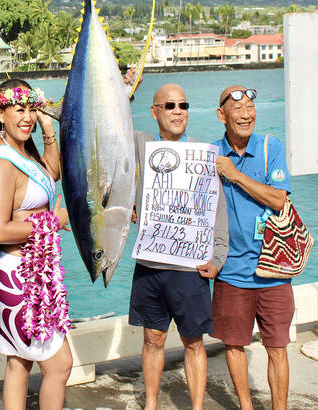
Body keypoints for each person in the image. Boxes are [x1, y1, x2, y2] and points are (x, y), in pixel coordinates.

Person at [127, 78, 229, 410]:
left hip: (190, 268)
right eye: (169, 105)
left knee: (194, 342)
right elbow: (111, 123)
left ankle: (197, 407)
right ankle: (151, 404)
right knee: (152, 339)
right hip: (150, 266)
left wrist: (218, 257)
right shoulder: (140, 145)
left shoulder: (205, 155)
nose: (177, 111)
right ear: (154, 111)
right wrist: (126, 90)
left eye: (183, 105)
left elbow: (218, 210)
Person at [0, 79, 73, 409]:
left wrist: (48, 130)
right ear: (1, 113)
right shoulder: (3, 163)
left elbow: (51, 173)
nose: (27, 117)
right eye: (19, 110)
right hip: (19, 279)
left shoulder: (22, 152)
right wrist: (53, 222)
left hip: (35, 271)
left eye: (31, 109)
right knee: (60, 365)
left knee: (18, 364)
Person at [211, 85, 293, 410]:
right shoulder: (210, 154)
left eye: (250, 108)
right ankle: (246, 407)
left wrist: (234, 175)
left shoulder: (270, 146)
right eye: (238, 109)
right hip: (230, 271)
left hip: (274, 268)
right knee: (233, 345)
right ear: (222, 115)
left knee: (278, 348)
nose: (246, 115)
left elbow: (278, 199)